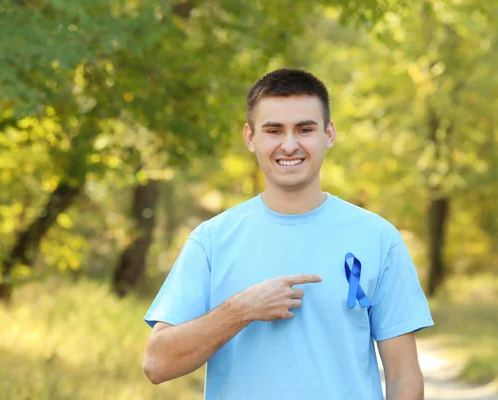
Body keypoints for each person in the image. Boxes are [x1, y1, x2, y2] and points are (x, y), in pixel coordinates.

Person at [142, 69, 434, 400]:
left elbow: (403, 376)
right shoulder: (211, 241)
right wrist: (242, 310)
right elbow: (157, 364)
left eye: (305, 129)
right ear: (251, 138)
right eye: (274, 130)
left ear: (329, 134)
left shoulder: (379, 238)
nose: (290, 144)